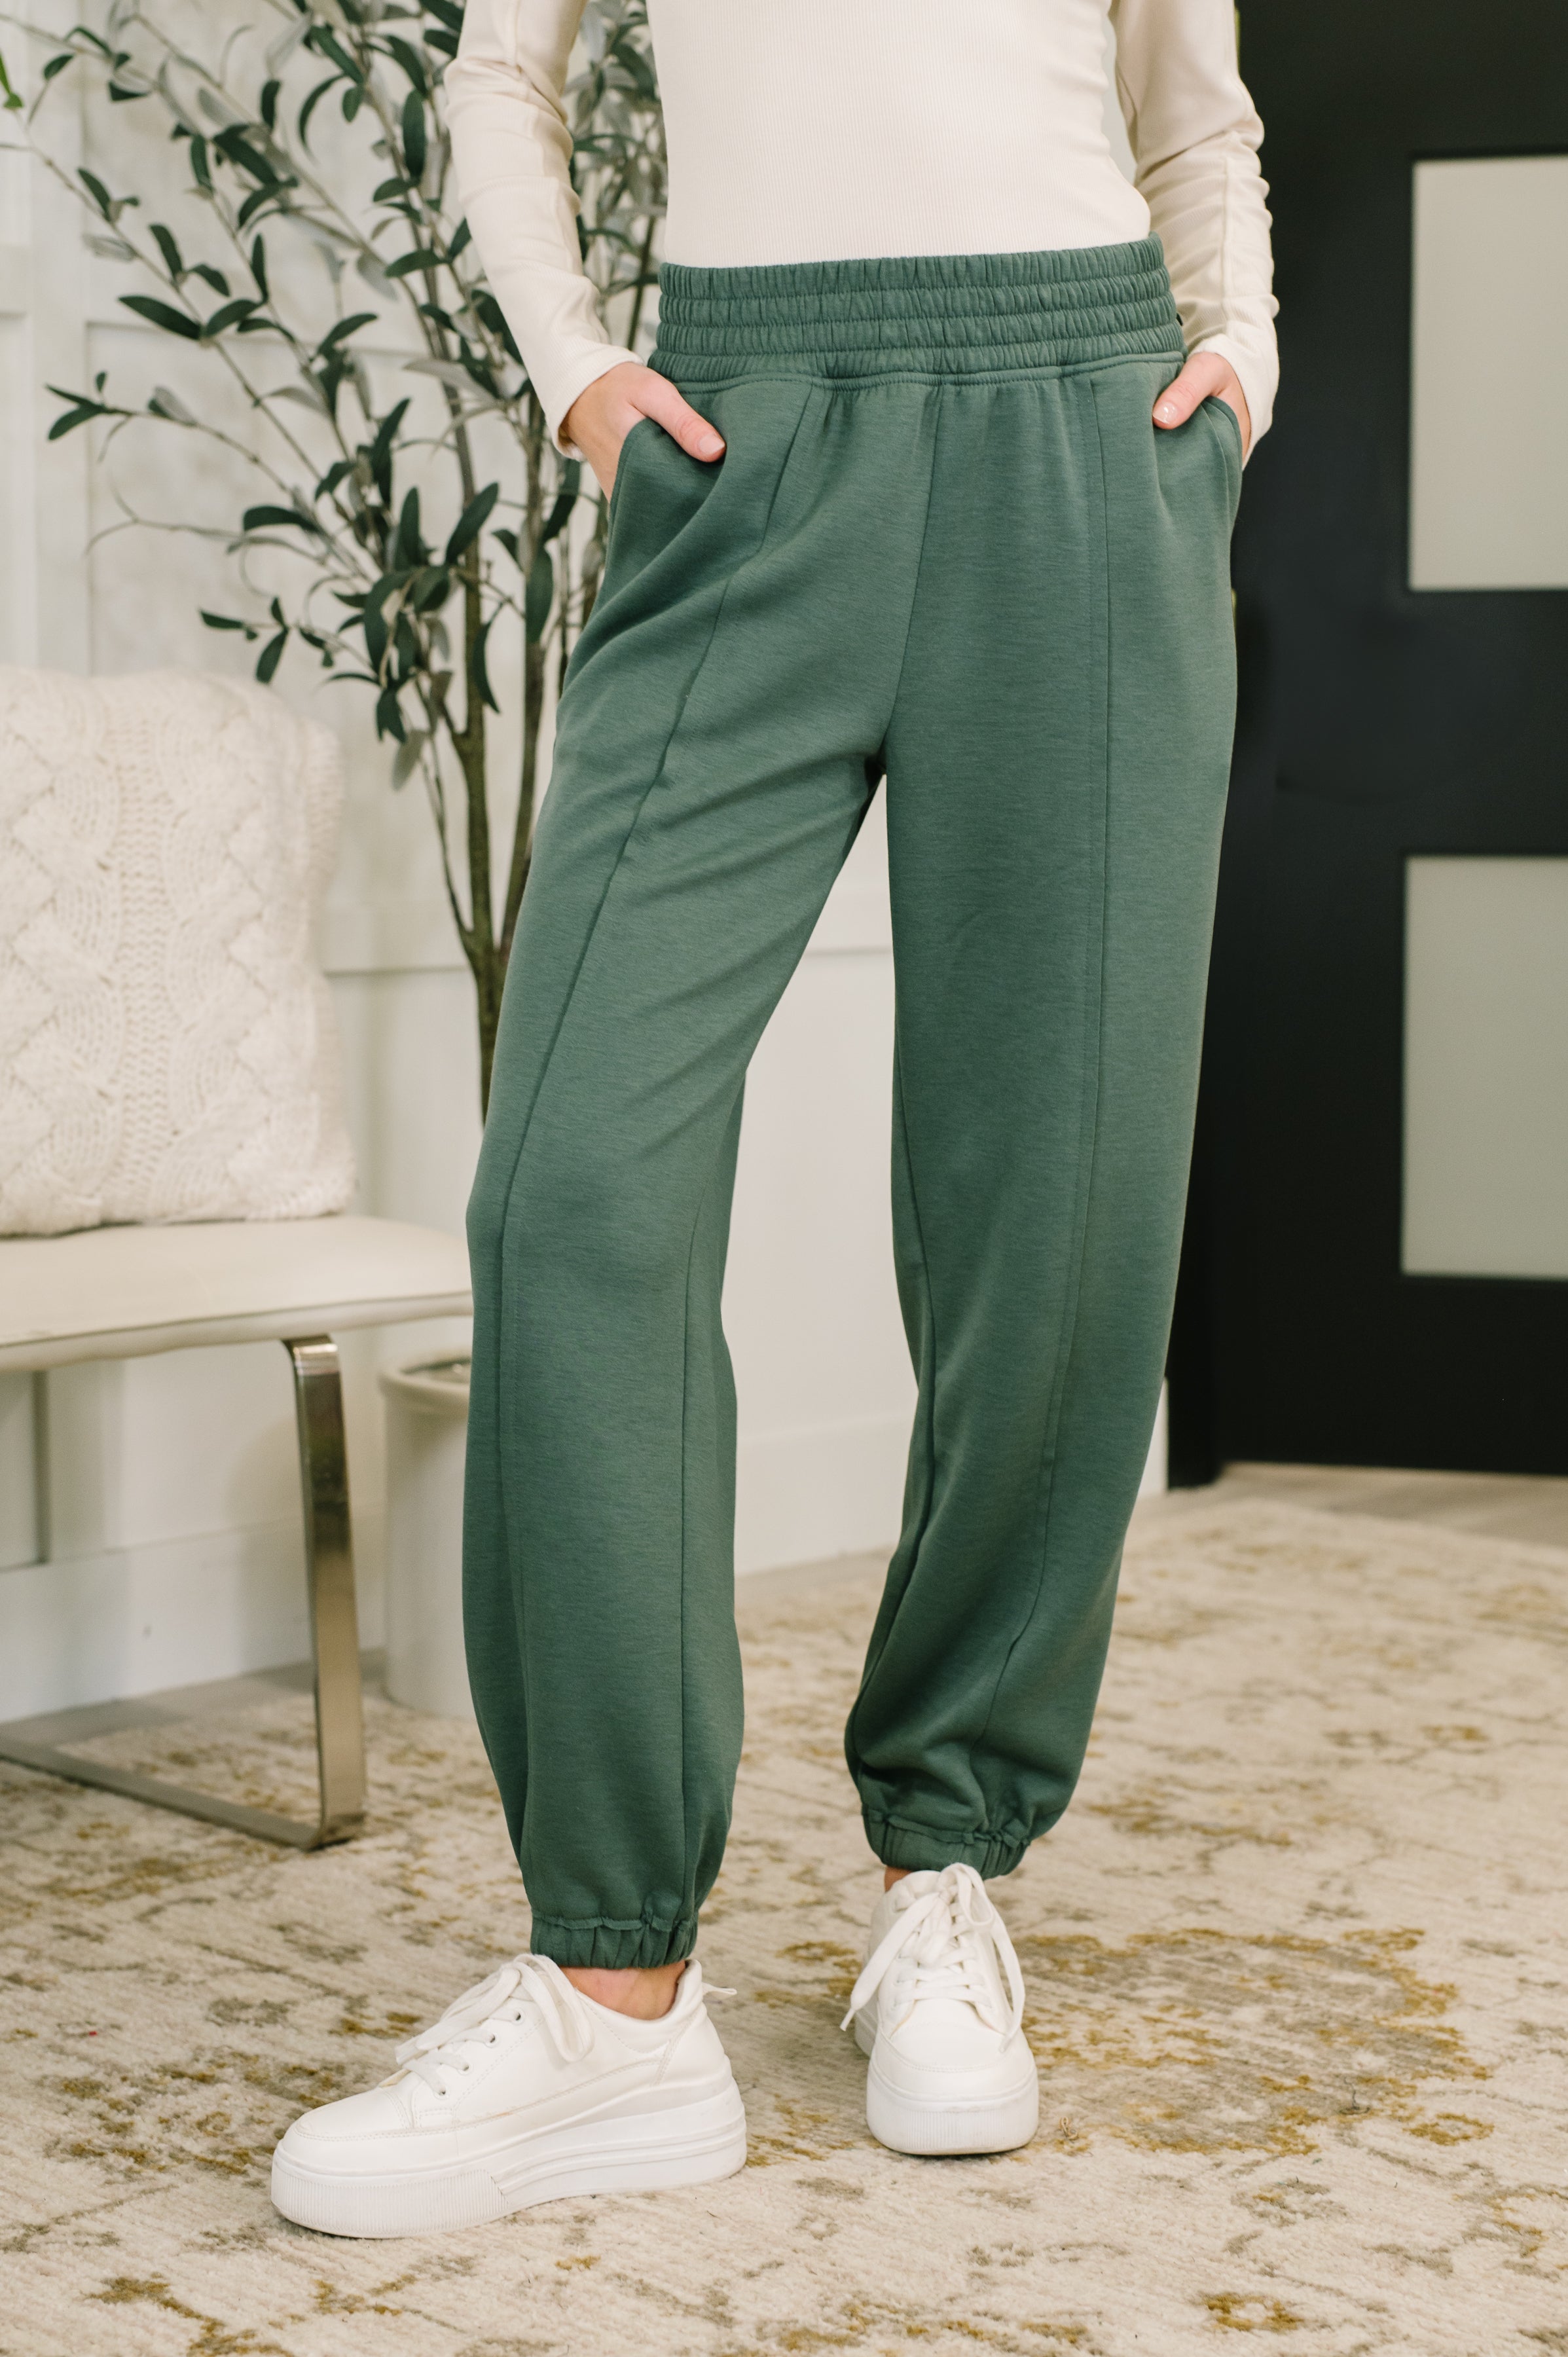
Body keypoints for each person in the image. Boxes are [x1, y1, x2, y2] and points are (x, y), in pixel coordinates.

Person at [271, 0, 1277, 2239]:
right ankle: (615, 1989)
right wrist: (574, 364)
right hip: (738, 439)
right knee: (572, 1193)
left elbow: (1191, 115)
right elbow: (503, 72)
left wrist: (1237, 366)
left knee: (1060, 1206)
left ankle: (946, 1865)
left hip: (1082, 429)